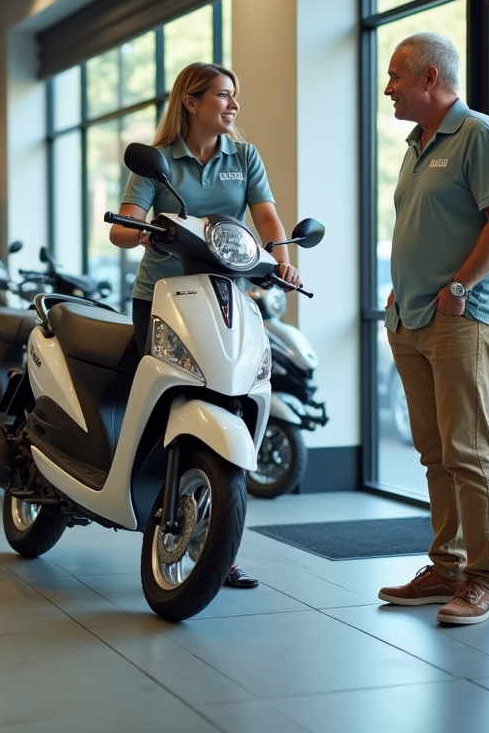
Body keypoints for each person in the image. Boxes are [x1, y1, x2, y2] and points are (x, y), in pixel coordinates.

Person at [111, 62, 302, 590]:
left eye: (234, 95)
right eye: (222, 95)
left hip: (224, 297)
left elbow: (266, 218)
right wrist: (142, 232)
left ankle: (219, 546)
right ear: (191, 103)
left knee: (232, 402)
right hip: (162, 297)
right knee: (158, 400)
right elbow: (124, 226)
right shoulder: (158, 160)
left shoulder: (244, 157)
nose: (233, 105)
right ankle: (139, 487)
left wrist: (283, 256)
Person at [375, 33, 489, 625]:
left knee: (467, 451)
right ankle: (448, 567)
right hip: (411, 319)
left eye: (396, 78)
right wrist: (403, 289)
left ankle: (484, 581)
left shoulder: (479, 135)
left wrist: (459, 288)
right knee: (434, 452)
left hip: (463, 320)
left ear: (430, 77)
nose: (388, 89)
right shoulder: (417, 146)